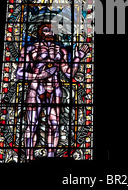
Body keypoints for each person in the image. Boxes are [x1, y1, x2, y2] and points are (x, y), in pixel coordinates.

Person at [16, 23, 89, 160]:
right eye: (46, 30)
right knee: (31, 124)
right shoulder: (30, 49)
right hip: (35, 88)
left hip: (55, 89)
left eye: (52, 30)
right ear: (40, 32)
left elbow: (68, 74)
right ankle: (29, 157)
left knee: (54, 125)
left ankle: (51, 156)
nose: (50, 33)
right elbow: (19, 73)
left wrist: (78, 58)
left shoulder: (61, 51)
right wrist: (38, 76)